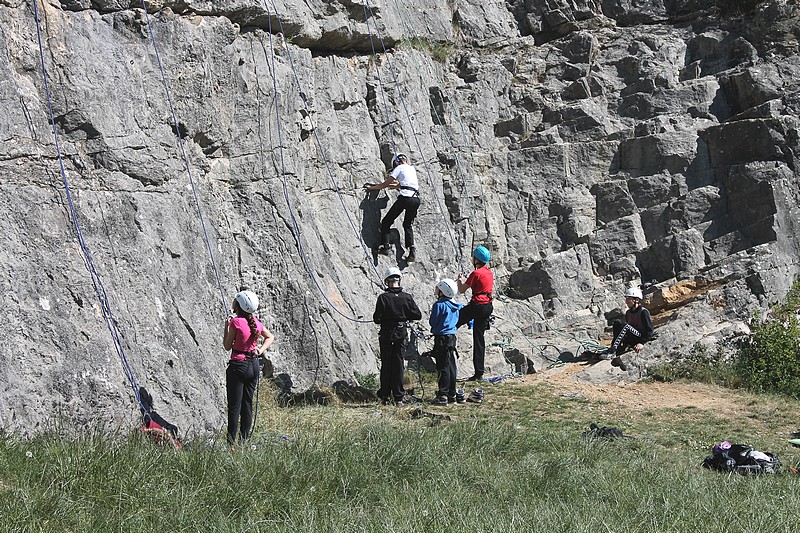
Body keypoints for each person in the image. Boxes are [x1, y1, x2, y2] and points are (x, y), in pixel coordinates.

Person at [222, 290, 275, 445]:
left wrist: (226, 327)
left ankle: (231, 444)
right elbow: (270, 336)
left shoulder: (235, 323)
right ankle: (243, 442)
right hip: (253, 365)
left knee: (234, 406)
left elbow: (227, 346)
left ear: (238, 305)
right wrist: (260, 350)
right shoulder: (255, 322)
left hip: (238, 366)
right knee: (247, 404)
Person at [373, 266, 422, 405]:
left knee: (386, 364)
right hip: (401, 333)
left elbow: (377, 318)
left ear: (387, 281)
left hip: (387, 333)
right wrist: (404, 316)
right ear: (399, 280)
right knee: (399, 364)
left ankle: (385, 395)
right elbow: (417, 315)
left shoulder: (383, 298)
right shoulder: (407, 297)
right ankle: (398, 396)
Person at [363, 153, 420, 262]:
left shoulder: (399, 168)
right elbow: (398, 185)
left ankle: (385, 247)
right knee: (407, 224)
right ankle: (412, 251)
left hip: (405, 198)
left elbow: (386, 183)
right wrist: (384, 186)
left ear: (396, 162)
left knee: (386, 222)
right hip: (416, 199)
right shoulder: (411, 169)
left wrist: (373, 188)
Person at [456, 245, 494, 381]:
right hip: (487, 306)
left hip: (477, 305)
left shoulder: (475, 274)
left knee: (454, 322)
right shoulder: (489, 273)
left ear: (476, 260)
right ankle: (479, 373)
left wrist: (459, 280)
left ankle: (443, 349)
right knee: (479, 338)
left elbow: (461, 290)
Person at [428, 279, 463, 406]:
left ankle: (443, 395)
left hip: (441, 337)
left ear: (442, 291)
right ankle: (452, 394)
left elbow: (433, 322)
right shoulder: (456, 305)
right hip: (451, 337)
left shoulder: (439, 305)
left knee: (442, 366)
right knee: (451, 365)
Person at [603, 287, 654, 370]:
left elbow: (649, 330)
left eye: (629, 299)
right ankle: (617, 348)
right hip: (631, 337)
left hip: (640, 337)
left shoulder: (643, 312)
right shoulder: (628, 313)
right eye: (626, 299)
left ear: (636, 300)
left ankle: (613, 351)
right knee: (617, 323)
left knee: (625, 325)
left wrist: (642, 343)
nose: (626, 301)